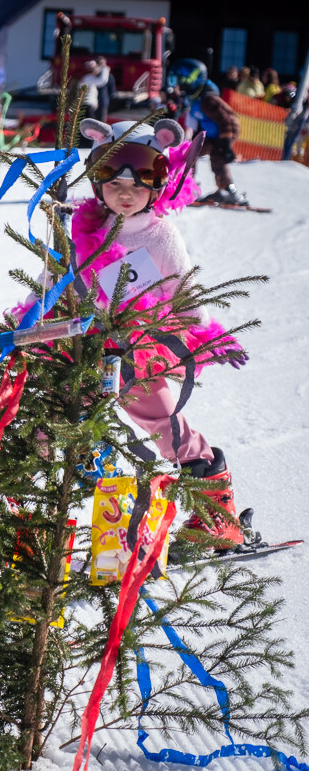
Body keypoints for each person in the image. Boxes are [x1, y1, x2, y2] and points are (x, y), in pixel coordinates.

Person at [70, 117, 252, 551]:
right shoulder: (82, 229)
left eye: (138, 183)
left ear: (157, 185)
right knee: (59, 424)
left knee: (163, 425)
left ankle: (216, 513)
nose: (125, 194)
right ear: (98, 183)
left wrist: (209, 335)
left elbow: (183, 290)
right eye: (113, 183)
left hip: (135, 350)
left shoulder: (159, 234)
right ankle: (46, 522)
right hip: (84, 347)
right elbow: (54, 280)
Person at [168, 59, 248, 205]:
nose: (177, 85)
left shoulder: (208, 100)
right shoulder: (194, 98)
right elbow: (200, 121)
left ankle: (229, 190)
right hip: (211, 134)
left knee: (218, 158)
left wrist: (226, 144)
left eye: (180, 81)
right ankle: (189, 187)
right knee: (191, 153)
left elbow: (226, 120)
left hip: (225, 132)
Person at [94, 55, 115, 122]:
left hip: (102, 101)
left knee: (100, 121)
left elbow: (111, 89)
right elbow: (112, 91)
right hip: (96, 101)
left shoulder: (108, 76)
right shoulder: (108, 75)